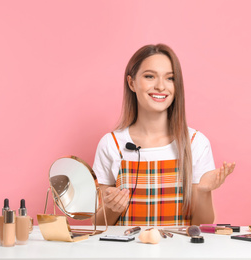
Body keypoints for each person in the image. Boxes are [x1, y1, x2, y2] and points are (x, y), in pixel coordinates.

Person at [92, 44, 235, 226]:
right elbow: (97, 225)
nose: (160, 86)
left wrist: (204, 191)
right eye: (150, 76)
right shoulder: (111, 144)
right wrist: (113, 208)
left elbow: (202, 224)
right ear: (131, 83)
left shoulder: (195, 143)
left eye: (170, 78)